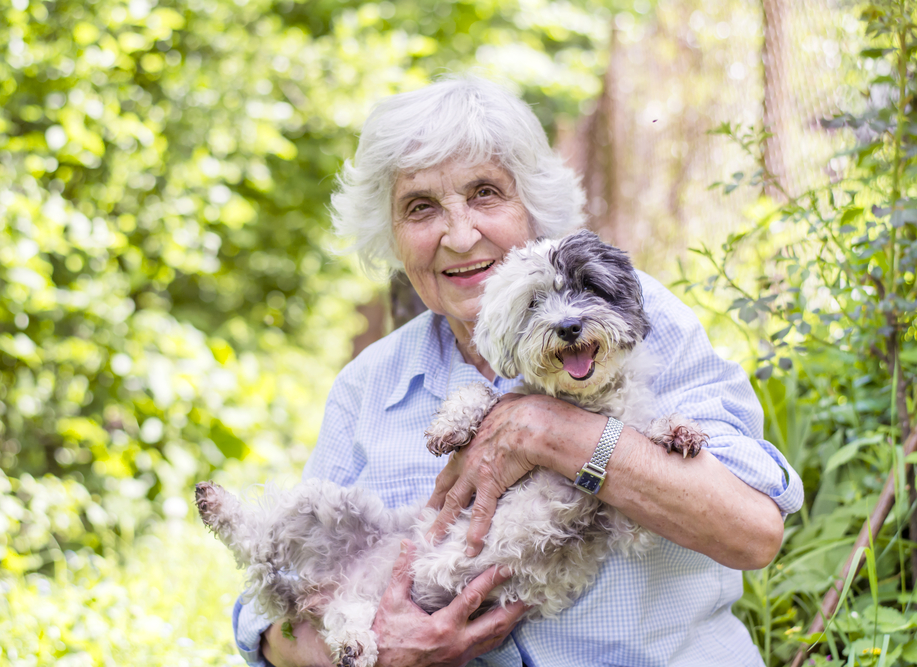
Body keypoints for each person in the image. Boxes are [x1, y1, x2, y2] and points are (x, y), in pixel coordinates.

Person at [232, 75, 803, 667]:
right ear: (392, 236)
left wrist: (553, 433)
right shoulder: (372, 382)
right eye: (421, 207)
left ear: (531, 205)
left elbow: (753, 530)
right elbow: (267, 620)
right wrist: (383, 655)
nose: (459, 235)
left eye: (484, 193)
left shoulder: (634, 314)